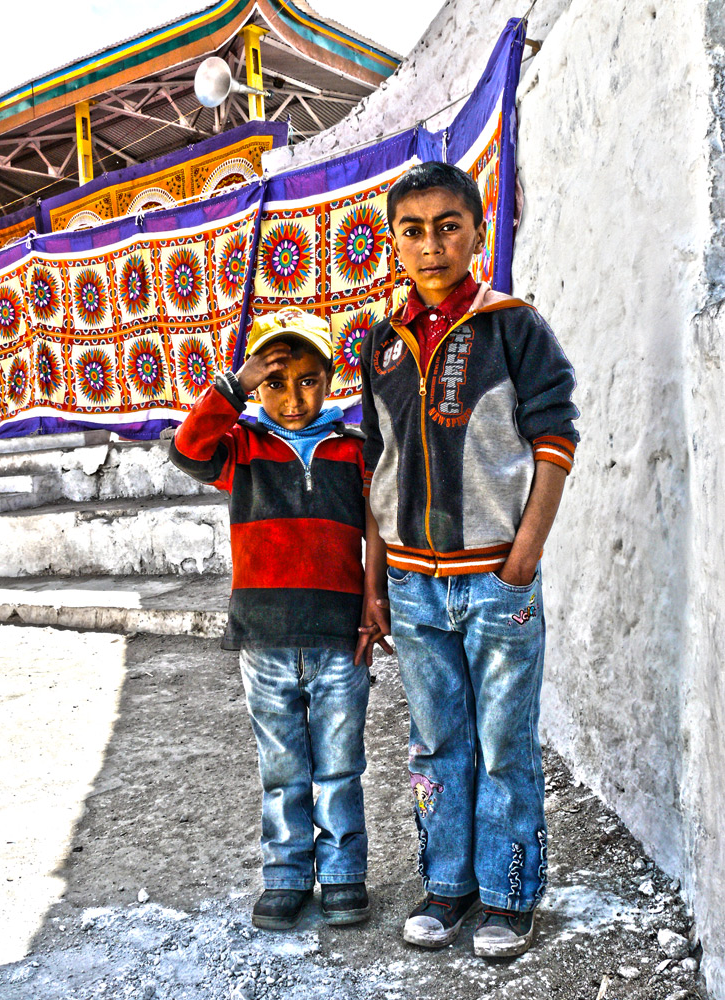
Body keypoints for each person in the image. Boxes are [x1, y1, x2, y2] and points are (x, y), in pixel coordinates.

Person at [356, 161, 579, 957]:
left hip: (497, 581)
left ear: (478, 233)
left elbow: (556, 437)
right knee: (434, 742)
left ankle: (510, 896)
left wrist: (525, 553)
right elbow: (378, 469)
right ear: (394, 244)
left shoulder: (514, 325)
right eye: (412, 231)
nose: (431, 245)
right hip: (413, 586)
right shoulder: (379, 345)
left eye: (448, 225)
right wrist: (374, 585)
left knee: (503, 743)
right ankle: (449, 886)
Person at [169, 307, 389, 930]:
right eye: (276, 381)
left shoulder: (352, 450)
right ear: (256, 387)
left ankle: (344, 873)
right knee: (283, 766)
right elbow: (188, 449)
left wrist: (376, 602)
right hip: (263, 639)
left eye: (308, 379)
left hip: (339, 637)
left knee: (341, 761)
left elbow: (376, 527)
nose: (294, 397)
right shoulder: (241, 447)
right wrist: (233, 387)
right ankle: (287, 873)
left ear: (330, 378)